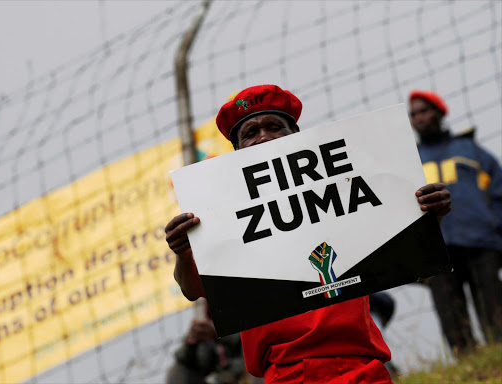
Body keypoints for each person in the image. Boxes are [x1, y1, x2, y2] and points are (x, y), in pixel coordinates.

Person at [166, 85, 452, 383]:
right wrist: (183, 252)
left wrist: (430, 216)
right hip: (286, 373)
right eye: (250, 133)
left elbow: (408, 254)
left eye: (274, 127)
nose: (263, 137)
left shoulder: (344, 191)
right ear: (236, 152)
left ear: (296, 135)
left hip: (364, 366)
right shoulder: (222, 220)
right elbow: (192, 288)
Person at [409, 90, 502, 353]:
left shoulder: (472, 151)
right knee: (451, 316)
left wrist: (496, 230)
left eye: (424, 111)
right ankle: (468, 367)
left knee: (494, 309)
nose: (419, 118)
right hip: (436, 250)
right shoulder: (409, 158)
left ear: (439, 113)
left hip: (481, 243)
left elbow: (499, 193)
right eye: (413, 114)